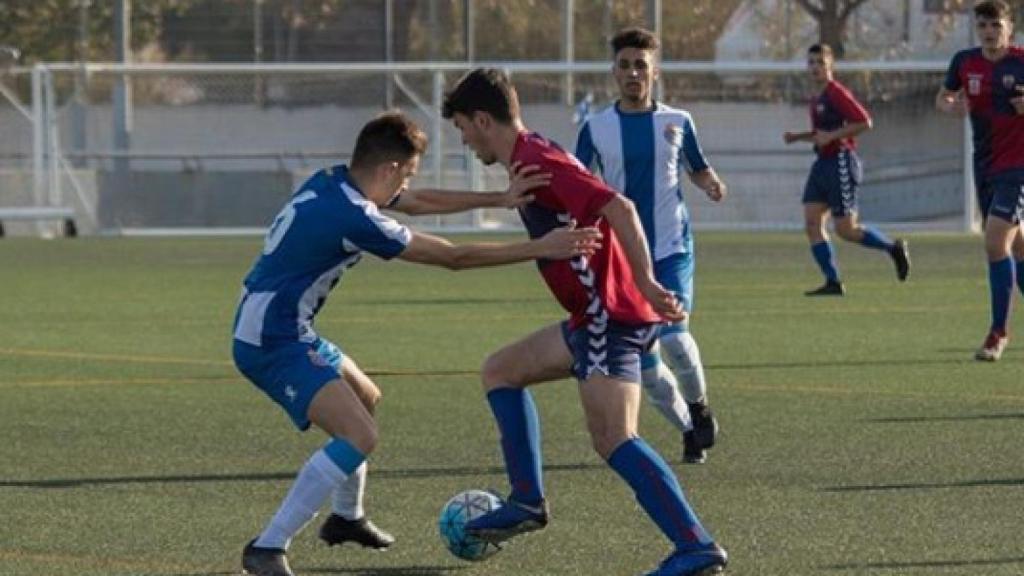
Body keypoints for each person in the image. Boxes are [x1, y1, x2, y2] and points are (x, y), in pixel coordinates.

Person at [231, 111, 602, 576]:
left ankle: (347, 518)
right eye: (405, 174)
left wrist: (501, 198)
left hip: (283, 325)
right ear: (387, 169)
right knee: (359, 435)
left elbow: (417, 201)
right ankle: (268, 546)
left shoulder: (333, 182)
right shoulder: (354, 216)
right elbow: (453, 257)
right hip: (270, 339)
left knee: (366, 399)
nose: (406, 186)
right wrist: (542, 246)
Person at [442, 68, 728, 576]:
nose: (462, 138)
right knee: (500, 371)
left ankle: (695, 546)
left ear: (482, 120)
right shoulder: (528, 158)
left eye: (462, 127)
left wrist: (643, 282)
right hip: (591, 316)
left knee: (614, 437)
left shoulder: (537, 158)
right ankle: (527, 501)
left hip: (607, 315)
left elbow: (619, 206)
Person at [575, 27, 722, 465]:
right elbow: (579, 183)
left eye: (641, 64)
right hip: (621, 260)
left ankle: (699, 407)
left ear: (654, 71)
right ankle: (688, 430)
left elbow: (697, 167)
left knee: (676, 338)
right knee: (646, 364)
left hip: (672, 249)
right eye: (625, 65)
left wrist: (710, 181)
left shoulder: (677, 121)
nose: (633, 72)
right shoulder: (596, 127)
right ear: (613, 72)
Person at [783, 44, 911, 296]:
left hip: (841, 162)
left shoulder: (836, 93)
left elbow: (864, 122)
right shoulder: (817, 97)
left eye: (820, 62)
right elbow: (823, 135)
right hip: (822, 164)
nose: (815, 67)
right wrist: (799, 137)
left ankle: (892, 248)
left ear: (831, 66)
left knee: (846, 229)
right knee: (811, 223)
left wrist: (831, 136)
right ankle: (833, 282)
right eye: (811, 63)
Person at [936, 0, 1024, 361]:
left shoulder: (1021, 61)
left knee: (992, 242)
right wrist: (949, 104)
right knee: (1017, 250)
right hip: (985, 165)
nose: (989, 32)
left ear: (1009, 28)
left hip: (1018, 166)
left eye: (996, 26)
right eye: (983, 26)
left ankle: (997, 333)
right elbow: (943, 96)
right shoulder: (964, 61)